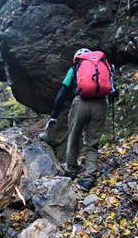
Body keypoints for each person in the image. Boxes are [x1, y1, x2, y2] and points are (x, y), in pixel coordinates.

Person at [46, 48, 118, 190]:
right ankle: (89, 177)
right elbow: (113, 91)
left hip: (80, 103)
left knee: (74, 136)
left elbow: (62, 93)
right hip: (100, 104)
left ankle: (71, 170)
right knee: (92, 142)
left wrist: (53, 115)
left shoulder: (74, 69)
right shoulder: (104, 66)